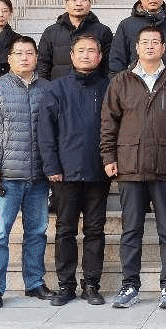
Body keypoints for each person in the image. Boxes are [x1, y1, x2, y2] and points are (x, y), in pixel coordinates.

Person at [100, 26, 166, 310]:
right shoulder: (121, 81)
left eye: (155, 42)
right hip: (130, 165)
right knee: (131, 230)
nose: (150, 46)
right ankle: (130, 285)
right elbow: (109, 123)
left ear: (164, 48)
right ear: (136, 47)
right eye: (145, 42)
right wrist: (108, 156)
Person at [0, 35, 53, 308]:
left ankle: (35, 283)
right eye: (18, 53)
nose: (24, 58)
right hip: (6, 176)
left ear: (36, 57)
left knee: (37, 232)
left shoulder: (47, 89)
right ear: (9, 59)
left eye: (29, 53)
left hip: (39, 176)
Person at [37, 33, 111, 306]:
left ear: (99, 56)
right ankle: (65, 285)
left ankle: (91, 284)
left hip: (98, 171)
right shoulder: (56, 88)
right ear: (71, 56)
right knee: (65, 230)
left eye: (91, 50)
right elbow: (46, 131)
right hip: (64, 173)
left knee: (95, 230)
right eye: (81, 50)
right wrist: (51, 166)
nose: (86, 55)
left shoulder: (108, 87)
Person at [38, 0, 113, 80]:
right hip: (58, 87)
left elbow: (109, 65)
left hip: (93, 86)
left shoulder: (103, 31)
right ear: (66, 4)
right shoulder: (51, 32)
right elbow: (42, 65)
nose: (78, 3)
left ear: (90, 3)